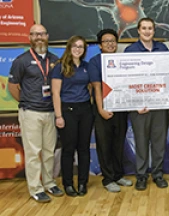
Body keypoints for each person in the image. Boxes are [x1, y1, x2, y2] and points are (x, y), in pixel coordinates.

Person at [7, 24, 64, 203]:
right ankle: (35, 188)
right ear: (29, 38)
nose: (39, 37)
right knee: (33, 152)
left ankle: (49, 182)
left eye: (42, 34)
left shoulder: (55, 59)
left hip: (50, 113)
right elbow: (13, 87)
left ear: (47, 36)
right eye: (35, 34)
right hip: (30, 112)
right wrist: (27, 102)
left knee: (49, 151)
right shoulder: (21, 60)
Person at [124, 17, 169, 191]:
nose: (147, 31)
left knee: (159, 143)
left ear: (154, 30)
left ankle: (157, 174)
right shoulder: (130, 51)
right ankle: (141, 176)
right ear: (138, 30)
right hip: (139, 107)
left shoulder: (162, 49)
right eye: (144, 28)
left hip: (159, 104)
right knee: (141, 142)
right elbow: (126, 80)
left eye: (150, 28)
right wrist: (134, 103)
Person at [88, 29, 132, 193]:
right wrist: (101, 109)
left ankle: (118, 175)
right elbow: (96, 87)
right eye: (106, 41)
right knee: (104, 144)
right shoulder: (95, 62)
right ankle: (108, 178)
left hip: (120, 107)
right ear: (100, 45)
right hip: (103, 109)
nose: (110, 44)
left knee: (118, 143)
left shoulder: (121, 60)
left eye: (112, 41)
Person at [51, 35, 94, 197]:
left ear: (84, 50)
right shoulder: (60, 67)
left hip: (85, 110)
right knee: (68, 149)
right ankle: (68, 184)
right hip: (67, 110)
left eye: (81, 47)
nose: (78, 49)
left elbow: (90, 87)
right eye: (75, 46)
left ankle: (83, 182)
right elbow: (55, 93)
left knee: (83, 148)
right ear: (69, 48)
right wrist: (58, 116)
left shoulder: (86, 66)